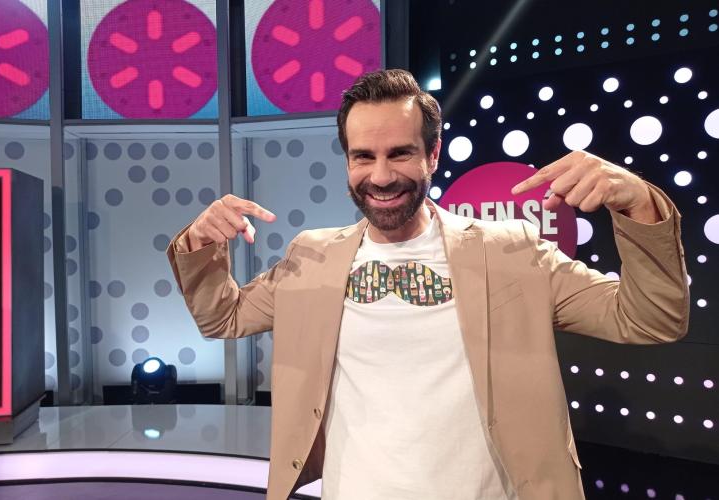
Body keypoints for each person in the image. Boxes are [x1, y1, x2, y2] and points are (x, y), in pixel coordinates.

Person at [166, 69, 689, 500]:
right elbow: (223, 317)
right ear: (347, 160)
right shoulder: (313, 256)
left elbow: (650, 318)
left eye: (400, 153)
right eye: (363, 156)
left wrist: (640, 205)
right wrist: (199, 244)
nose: (381, 176)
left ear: (433, 155)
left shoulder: (511, 251)